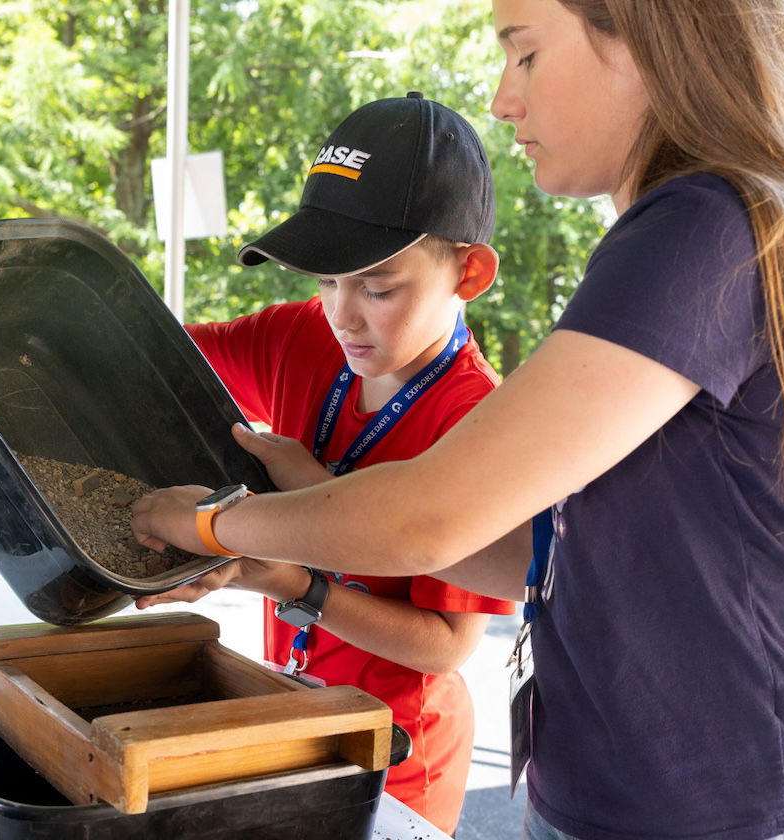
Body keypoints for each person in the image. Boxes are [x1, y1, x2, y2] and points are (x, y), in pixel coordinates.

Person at [132, 2, 784, 839]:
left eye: (524, 55)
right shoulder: (698, 229)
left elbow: (428, 520)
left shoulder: (698, 229)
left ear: (642, 42)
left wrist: (208, 524)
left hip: (722, 810)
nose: (502, 98)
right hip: (619, 795)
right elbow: (543, 550)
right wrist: (278, 545)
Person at [134, 92, 515, 836]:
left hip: (396, 757)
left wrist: (292, 581)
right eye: (326, 279)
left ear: (468, 272)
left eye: (377, 287)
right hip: (287, 717)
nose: (343, 313)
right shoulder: (303, 337)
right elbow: (158, 364)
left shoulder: (476, 423)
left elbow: (446, 646)